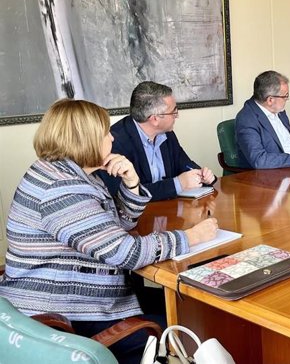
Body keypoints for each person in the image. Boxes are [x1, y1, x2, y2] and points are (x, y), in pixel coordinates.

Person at [0, 99, 218, 364]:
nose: (112, 137)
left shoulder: (69, 173)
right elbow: (126, 252)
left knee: (189, 305)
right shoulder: (63, 189)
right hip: (66, 313)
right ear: (85, 139)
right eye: (105, 132)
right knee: (192, 319)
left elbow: (115, 228)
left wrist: (132, 183)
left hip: (76, 296)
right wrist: (191, 237)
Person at [99, 81, 216, 201]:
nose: (177, 115)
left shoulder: (167, 134)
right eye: (173, 112)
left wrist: (203, 175)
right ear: (155, 119)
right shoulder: (114, 142)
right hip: (138, 217)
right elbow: (123, 194)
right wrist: (178, 184)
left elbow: (184, 163)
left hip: (170, 210)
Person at [236, 70, 290, 168]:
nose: (287, 99)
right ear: (270, 100)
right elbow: (260, 160)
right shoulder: (247, 119)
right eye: (285, 96)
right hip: (271, 177)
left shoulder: (280, 111)